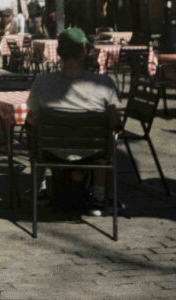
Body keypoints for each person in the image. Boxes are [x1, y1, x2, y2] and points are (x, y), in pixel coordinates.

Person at [27, 27, 122, 215]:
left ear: (59, 53)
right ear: (84, 51)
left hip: (51, 151)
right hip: (93, 152)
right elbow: (115, 121)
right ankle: (99, 198)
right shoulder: (104, 83)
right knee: (108, 137)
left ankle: (39, 190)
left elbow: (32, 119)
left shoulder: (42, 82)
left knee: (33, 132)